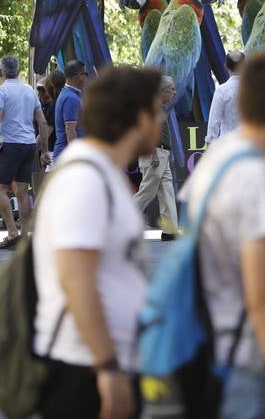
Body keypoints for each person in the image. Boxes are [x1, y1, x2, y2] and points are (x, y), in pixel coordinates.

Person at [181, 51, 265, 419]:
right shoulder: (256, 174)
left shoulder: (218, 162)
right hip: (244, 351)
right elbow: (261, 291)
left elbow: (213, 124)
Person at [32, 65, 163, 419]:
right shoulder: (86, 178)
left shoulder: (101, 172)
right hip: (84, 369)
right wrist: (107, 368)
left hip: (103, 362)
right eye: (156, 110)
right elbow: (76, 278)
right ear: (135, 117)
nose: (162, 119)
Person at [0, 55, 50, 248]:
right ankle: (24, 234)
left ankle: (12, 233)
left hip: (11, 145)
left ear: (1, 72)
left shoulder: (1, 91)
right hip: (29, 145)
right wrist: (44, 150)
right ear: (18, 71)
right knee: (22, 191)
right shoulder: (29, 91)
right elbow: (42, 121)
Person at [133, 75, 179, 237]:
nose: (174, 93)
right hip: (155, 154)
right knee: (147, 192)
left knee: (166, 191)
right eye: (172, 90)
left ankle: (169, 230)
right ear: (163, 91)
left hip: (161, 154)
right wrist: (153, 154)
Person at [206, 49, 245, 146]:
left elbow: (214, 121)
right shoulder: (255, 90)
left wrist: (210, 143)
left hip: (227, 145)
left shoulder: (222, 91)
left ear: (226, 66)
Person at [52, 60, 87, 163]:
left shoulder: (69, 94)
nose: (87, 78)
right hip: (67, 159)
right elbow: (70, 131)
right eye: (86, 74)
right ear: (79, 76)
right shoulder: (71, 98)